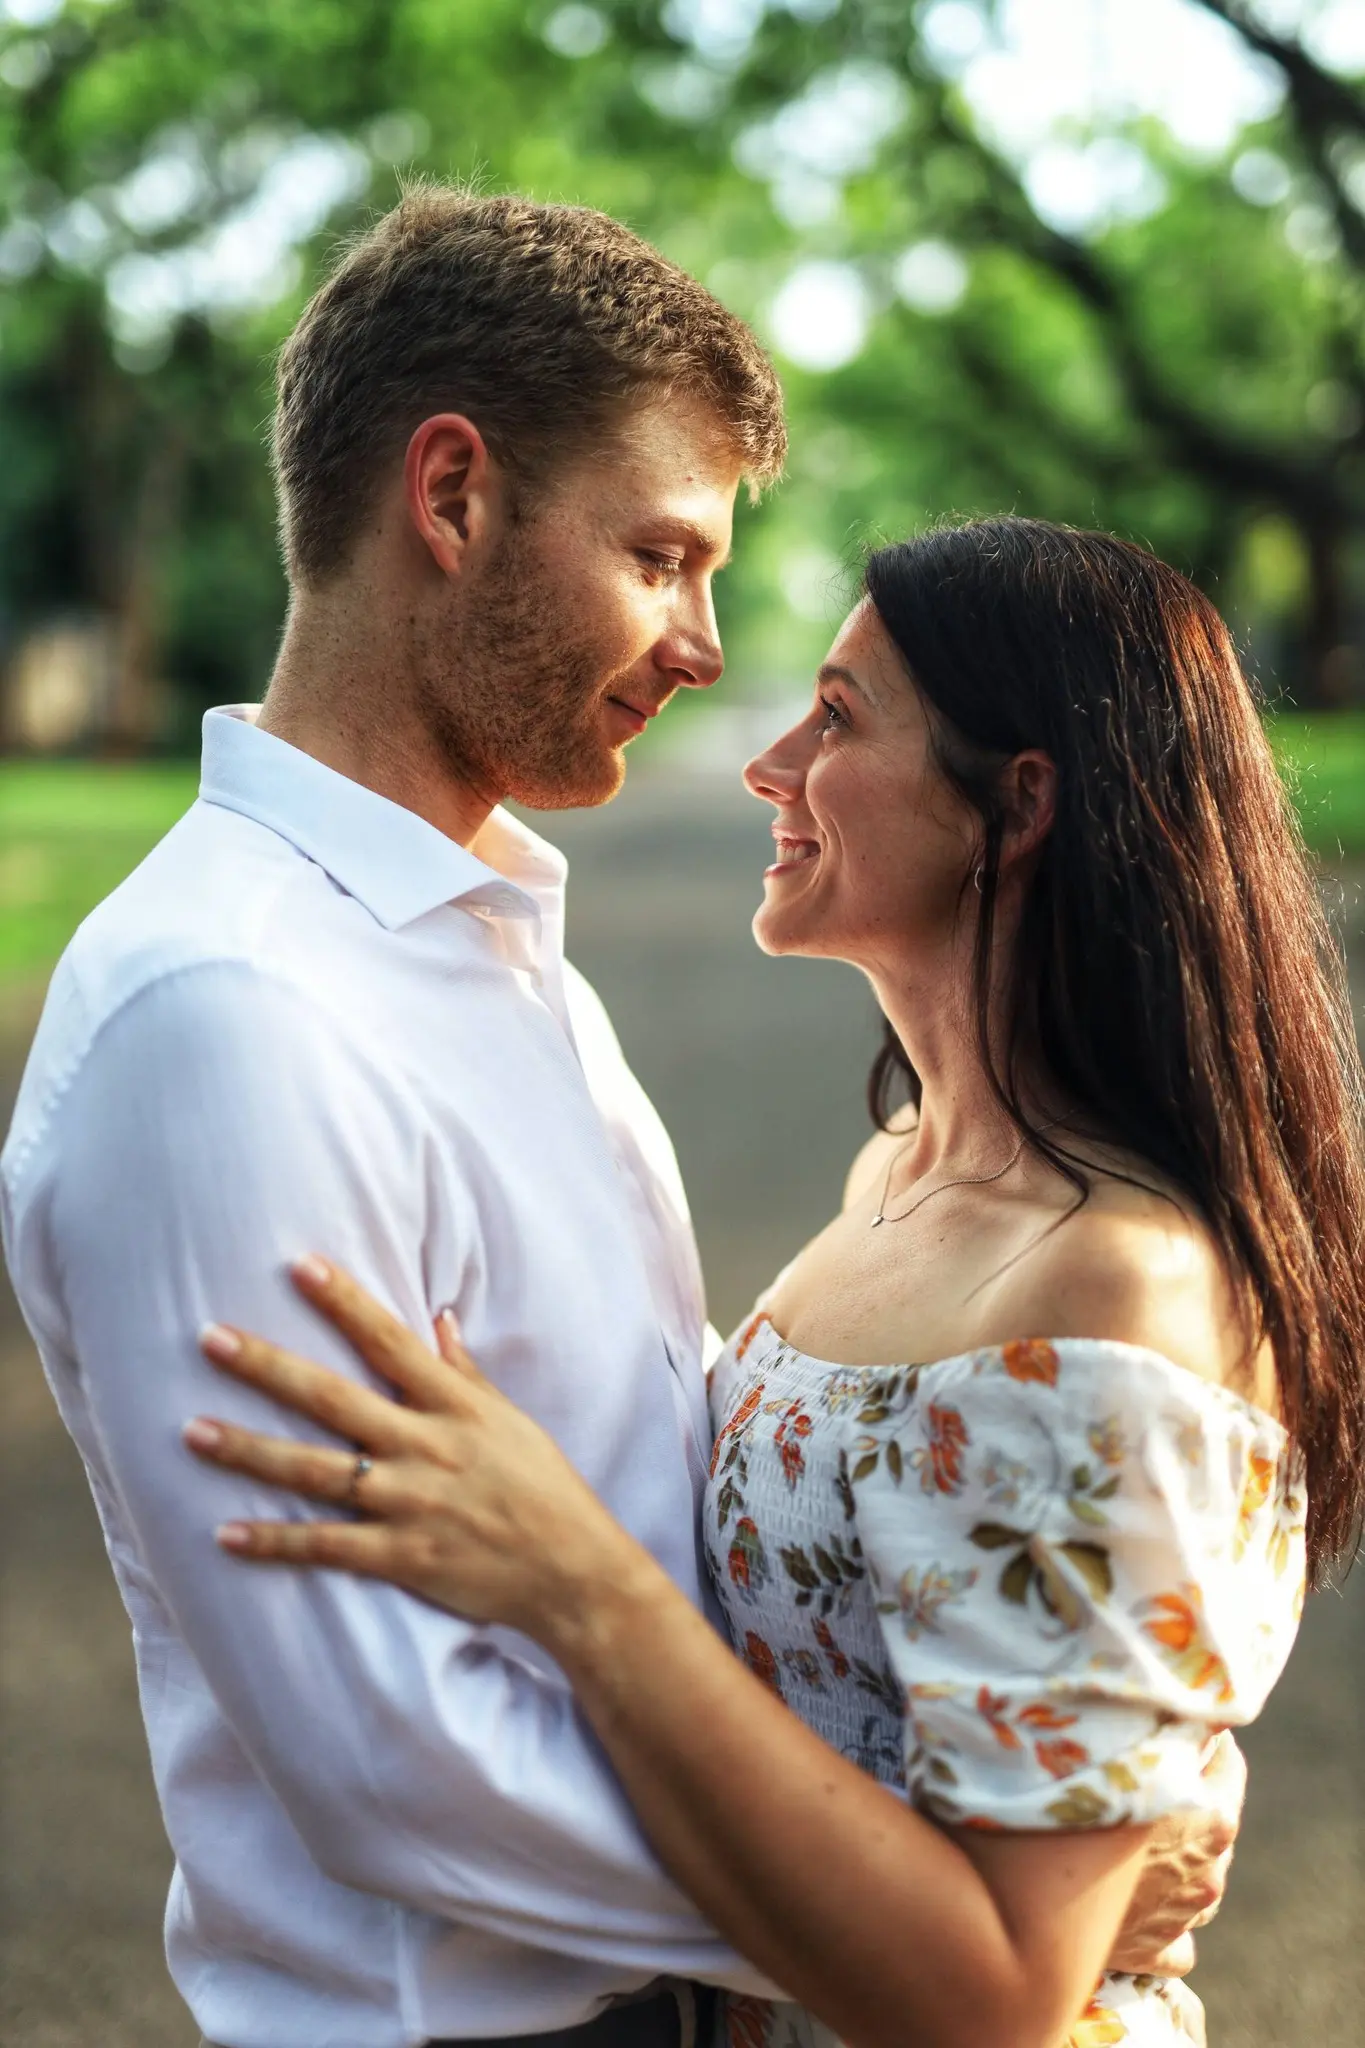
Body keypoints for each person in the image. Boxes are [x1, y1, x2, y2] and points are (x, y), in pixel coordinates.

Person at [1, 179, 1227, 2048]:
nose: (706, 646)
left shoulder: (490, 950)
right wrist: (941, 1918)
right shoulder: (230, 1013)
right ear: (453, 497)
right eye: (662, 556)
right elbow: (389, 1752)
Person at [179, 520, 1365, 2048]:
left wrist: (577, 1581)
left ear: (1017, 807)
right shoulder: (901, 1169)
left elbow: (997, 1998)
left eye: (841, 717)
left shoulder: (1112, 1292)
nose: (770, 760)